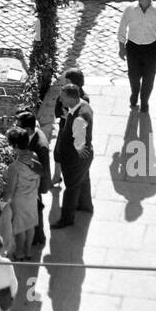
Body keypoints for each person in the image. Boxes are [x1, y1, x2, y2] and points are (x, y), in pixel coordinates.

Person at [118, 0, 156, 113]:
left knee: (149, 77)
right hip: (133, 47)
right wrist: (121, 47)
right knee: (133, 75)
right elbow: (122, 27)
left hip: (151, 49)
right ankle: (134, 93)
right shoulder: (130, 9)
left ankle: (145, 100)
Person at [51, 84, 94, 227]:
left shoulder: (79, 119)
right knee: (83, 179)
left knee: (71, 187)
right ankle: (85, 205)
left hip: (75, 159)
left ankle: (67, 219)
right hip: (83, 158)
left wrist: (79, 150)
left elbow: (79, 140)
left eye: (63, 99)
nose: (61, 101)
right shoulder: (83, 105)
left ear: (70, 99)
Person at [0, 129, 42, 257]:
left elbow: (10, 190)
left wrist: (2, 203)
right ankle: (28, 251)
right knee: (30, 225)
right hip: (32, 196)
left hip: (19, 200)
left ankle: (19, 254)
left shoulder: (14, 167)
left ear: (16, 146)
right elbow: (38, 179)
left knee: (20, 228)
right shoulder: (35, 157)